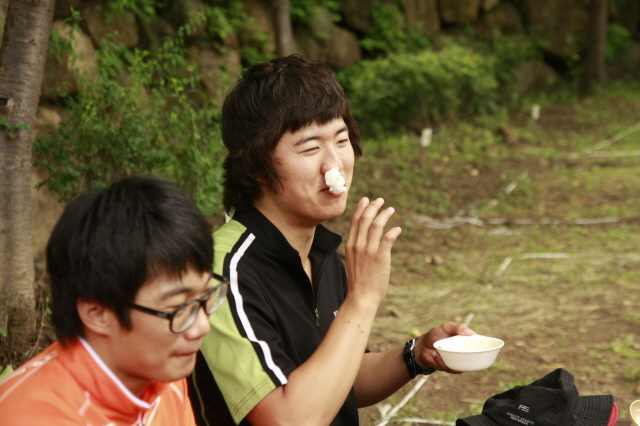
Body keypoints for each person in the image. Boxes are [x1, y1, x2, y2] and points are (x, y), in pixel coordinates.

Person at [188, 55, 474, 426]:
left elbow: (341, 380)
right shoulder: (224, 272)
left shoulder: (318, 252)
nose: (334, 164)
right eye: (310, 148)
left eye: (341, 140)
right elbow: (288, 420)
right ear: (257, 166)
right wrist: (363, 299)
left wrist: (416, 354)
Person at [0, 175, 229, 425]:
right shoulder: (33, 417)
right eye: (179, 307)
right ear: (97, 313)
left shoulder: (163, 378)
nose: (202, 327)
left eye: (205, 296)